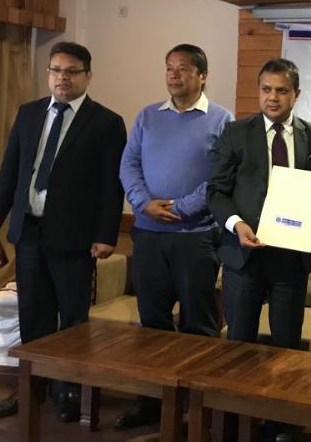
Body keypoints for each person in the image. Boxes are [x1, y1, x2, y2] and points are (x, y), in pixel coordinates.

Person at [0, 41, 126, 422]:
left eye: (71, 71)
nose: (62, 78)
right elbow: (9, 173)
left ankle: (66, 390)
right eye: (56, 70)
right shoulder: (29, 113)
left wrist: (106, 234)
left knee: (71, 319)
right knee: (32, 316)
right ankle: (31, 389)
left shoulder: (106, 122)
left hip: (74, 238)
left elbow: (111, 185)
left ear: (87, 75)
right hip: (29, 233)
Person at [113, 44, 233, 430]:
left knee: (198, 326)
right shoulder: (148, 115)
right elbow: (129, 163)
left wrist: (181, 207)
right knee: (153, 325)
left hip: (195, 237)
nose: (174, 75)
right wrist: (143, 203)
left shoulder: (221, 119)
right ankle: (152, 405)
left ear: (202, 75)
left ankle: (196, 411)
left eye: (183, 68)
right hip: (148, 235)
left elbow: (220, 177)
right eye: (169, 68)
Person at [207, 58, 311, 348]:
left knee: (287, 348)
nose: (272, 97)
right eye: (266, 89)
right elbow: (216, 191)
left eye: (281, 90)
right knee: (238, 346)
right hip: (244, 254)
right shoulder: (236, 132)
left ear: (296, 94)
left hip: (292, 257)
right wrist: (237, 225)